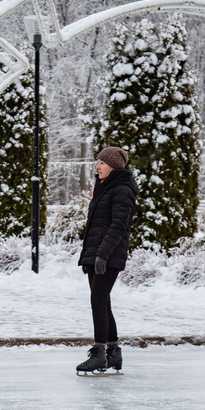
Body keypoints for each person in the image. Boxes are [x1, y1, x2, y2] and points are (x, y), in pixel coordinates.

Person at [76, 146, 137, 374]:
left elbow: (118, 226)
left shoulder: (123, 190)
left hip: (108, 254)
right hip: (97, 253)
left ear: (112, 166)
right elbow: (96, 224)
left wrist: (103, 254)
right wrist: (88, 256)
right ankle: (113, 352)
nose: (97, 166)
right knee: (103, 302)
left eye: (101, 163)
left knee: (98, 301)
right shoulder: (104, 188)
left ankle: (99, 352)